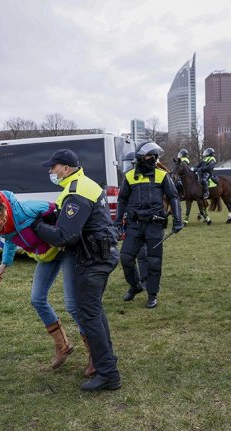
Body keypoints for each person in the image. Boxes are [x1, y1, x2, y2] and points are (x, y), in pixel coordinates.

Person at [0, 182, 91, 375]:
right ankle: (62, 345)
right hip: (47, 256)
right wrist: (4, 264)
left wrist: (64, 235)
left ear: (1, 210)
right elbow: (10, 240)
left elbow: (57, 210)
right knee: (37, 299)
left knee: (72, 305)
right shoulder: (2, 225)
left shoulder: (26, 210)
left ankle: (95, 353)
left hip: (65, 251)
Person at [33, 149, 122, 391]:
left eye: (53, 167)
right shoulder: (82, 184)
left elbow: (67, 236)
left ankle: (108, 375)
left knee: (88, 314)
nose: (51, 171)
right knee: (94, 312)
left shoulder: (76, 191)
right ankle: (108, 360)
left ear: (65, 167)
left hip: (93, 259)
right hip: (100, 255)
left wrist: (38, 226)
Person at [116, 141, 183, 309]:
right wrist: (117, 221)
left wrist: (177, 219)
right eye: (150, 156)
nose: (153, 159)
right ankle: (135, 285)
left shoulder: (162, 175)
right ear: (140, 158)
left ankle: (152, 294)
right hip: (135, 224)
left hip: (154, 224)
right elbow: (122, 199)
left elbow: (173, 196)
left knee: (154, 261)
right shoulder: (130, 176)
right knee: (125, 257)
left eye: (154, 156)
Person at [121, 151, 148, 290]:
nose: (127, 167)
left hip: (141, 222)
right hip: (130, 221)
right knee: (128, 255)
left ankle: (145, 280)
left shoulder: (142, 181)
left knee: (142, 253)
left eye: (130, 164)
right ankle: (135, 282)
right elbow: (123, 200)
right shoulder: (128, 179)